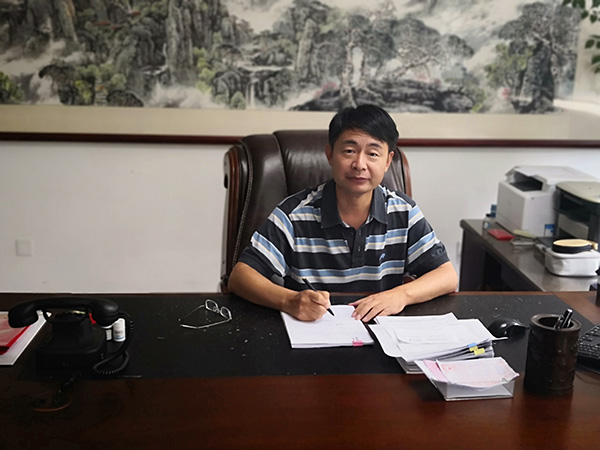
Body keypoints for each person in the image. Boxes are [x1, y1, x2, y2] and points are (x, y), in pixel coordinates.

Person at [228, 104, 457, 322]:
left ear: (388, 161)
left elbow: (446, 276)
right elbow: (240, 277)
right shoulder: (294, 214)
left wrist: (400, 295)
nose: (359, 164)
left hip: (382, 336)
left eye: (373, 154)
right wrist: (290, 300)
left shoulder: (403, 212)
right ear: (330, 154)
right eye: (349, 151)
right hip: (312, 334)